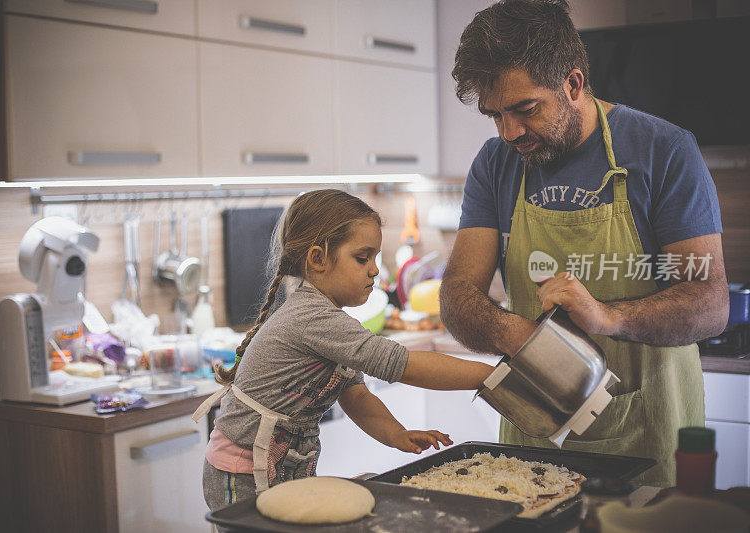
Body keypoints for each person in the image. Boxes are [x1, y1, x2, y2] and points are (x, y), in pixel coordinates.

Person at [440, 0, 729, 487]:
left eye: (524, 110)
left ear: (573, 84)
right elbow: (457, 295)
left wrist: (607, 318)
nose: (509, 133)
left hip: (646, 433)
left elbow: (709, 301)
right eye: (494, 116)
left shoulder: (664, 150)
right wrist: (524, 339)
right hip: (531, 441)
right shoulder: (495, 164)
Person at [194, 189, 496, 508]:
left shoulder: (330, 320)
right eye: (362, 258)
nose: (375, 270)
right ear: (318, 259)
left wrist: (397, 434)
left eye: (375, 259)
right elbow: (400, 363)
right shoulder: (313, 317)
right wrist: (493, 375)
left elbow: (356, 395)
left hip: (282, 465)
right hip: (241, 472)